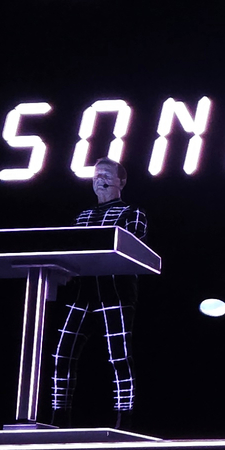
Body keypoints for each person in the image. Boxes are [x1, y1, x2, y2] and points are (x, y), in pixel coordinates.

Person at [49, 158, 148, 427]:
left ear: (121, 182)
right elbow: (67, 250)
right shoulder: (81, 216)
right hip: (82, 293)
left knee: (119, 355)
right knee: (62, 354)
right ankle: (59, 417)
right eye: (96, 175)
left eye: (105, 174)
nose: (99, 179)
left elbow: (132, 246)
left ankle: (125, 419)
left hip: (115, 291)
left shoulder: (132, 212)